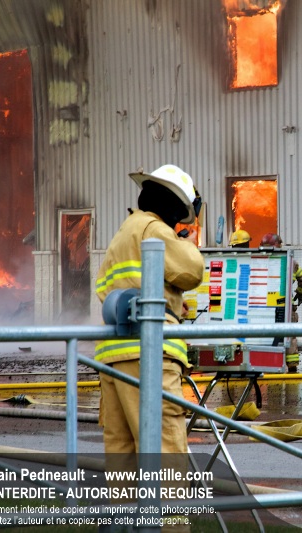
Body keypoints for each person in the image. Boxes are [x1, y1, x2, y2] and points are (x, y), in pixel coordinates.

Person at [94, 163, 204, 466]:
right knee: (164, 448)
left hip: (114, 354)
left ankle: (127, 503)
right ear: (173, 206)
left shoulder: (124, 232)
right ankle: (168, 502)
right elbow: (192, 270)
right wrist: (184, 243)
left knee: (123, 453)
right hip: (149, 352)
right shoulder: (153, 228)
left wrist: (167, 302)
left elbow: (118, 288)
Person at [259, 232, 302, 373]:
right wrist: (300, 293)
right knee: (290, 335)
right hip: (286, 306)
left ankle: (270, 364)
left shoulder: (258, 261)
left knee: (267, 335)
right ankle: (292, 366)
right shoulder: (290, 261)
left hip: (265, 307)